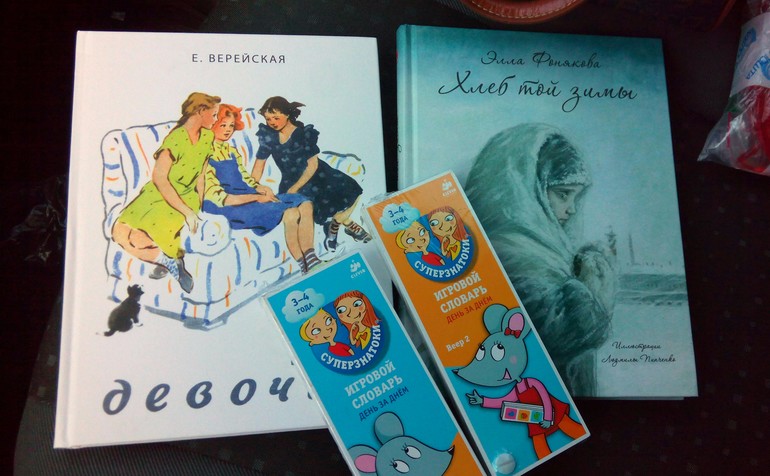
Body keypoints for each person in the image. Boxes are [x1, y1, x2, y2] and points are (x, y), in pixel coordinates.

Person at [465, 122, 616, 396]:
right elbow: (558, 335)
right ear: (524, 189)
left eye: (576, 197)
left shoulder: (543, 247)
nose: (572, 209)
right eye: (563, 194)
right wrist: (591, 292)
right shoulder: (510, 252)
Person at [111, 92, 221, 293]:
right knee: (119, 232)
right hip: (158, 193)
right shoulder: (176, 138)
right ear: (200, 111)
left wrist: (197, 208)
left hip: (186, 196)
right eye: (213, 115)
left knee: (138, 237)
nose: (216, 120)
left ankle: (170, 260)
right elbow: (160, 179)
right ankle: (169, 261)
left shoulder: (208, 137)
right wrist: (187, 213)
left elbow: (201, 176)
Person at [202, 104, 320, 274]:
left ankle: (310, 259)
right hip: (230, 207)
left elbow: (247, 179)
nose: (228, 130)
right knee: (290, 212)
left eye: (231, 125)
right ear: (211, 124)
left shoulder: (231, 150)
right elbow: (221, 198)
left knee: (304, 204)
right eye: (223, 125)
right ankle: (305, 264)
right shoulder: (203, 155)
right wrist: (257, 197)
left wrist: (261, 188)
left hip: (248, 196)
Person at [252, 96, 371, 252]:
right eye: (268, 119)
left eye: (276, 117)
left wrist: (296, 187)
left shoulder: (303, 134)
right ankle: (344, 224)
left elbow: (312, 165)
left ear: (287, 114)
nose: (272, 122)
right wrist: (253, 188)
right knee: (307, 211)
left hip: (318, 176)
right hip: (290, 183)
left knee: (353, 192)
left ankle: (335, 225)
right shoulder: (269, 137)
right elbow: (258, 166)